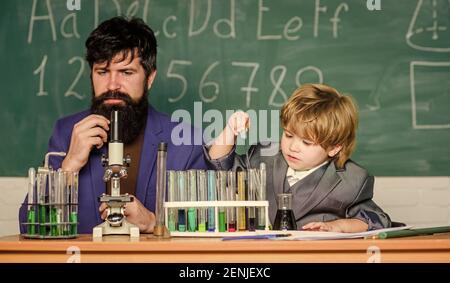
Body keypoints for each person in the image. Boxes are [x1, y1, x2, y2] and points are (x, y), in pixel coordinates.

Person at [19, 17, 207, 234]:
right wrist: (68, 167)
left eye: (126, 72)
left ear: (150, 78)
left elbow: (207, 230)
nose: (112, 85)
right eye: (102, 72)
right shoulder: (65, 133)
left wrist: (154, 222)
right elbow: (28, 225)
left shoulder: (186, 142)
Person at [205, 83, 391, 232]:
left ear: (334, 148)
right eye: (288, 135)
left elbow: (374, 220)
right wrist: (230, 130)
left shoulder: (351, 180)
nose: (293, 147)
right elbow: (220, 167)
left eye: (307, 143)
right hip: (261, 257)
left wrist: (337, 226)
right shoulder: (263, 157)